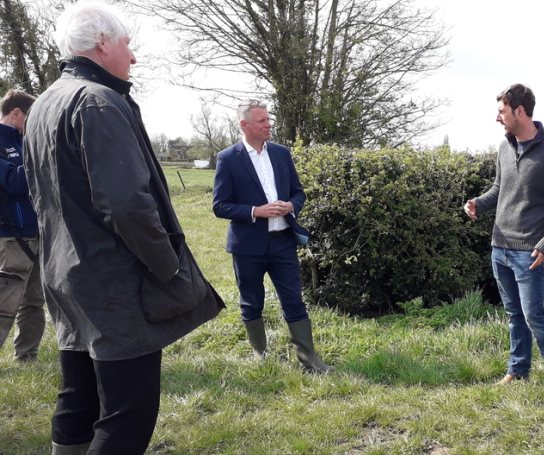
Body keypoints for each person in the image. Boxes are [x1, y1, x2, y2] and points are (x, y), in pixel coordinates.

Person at [22, 2, 224, 453]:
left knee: (78, 401)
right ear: (103, 44)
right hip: (114, 286)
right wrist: (167, 267)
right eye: (128, 44)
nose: (133, 57)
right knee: (126, 416)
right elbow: (126, 205)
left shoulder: (45, 102)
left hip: (66, 276)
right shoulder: (98, 102)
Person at [464, 83, 544, 392]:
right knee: (514, 315)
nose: (497, 118)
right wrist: (478, 204)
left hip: (531, 251)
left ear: (520, 111)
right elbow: (500, 189)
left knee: (534, 316)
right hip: (499, 247)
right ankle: (518, 370)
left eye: (501, 111)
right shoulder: (504, 147)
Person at [213, 100, 332, 373]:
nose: (269, 125)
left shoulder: (281, 153)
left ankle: (308, 361)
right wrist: (257, 211)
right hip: (248, 247)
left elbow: (298, 193)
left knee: (294, 300)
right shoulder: (228, 158)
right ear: (244, 125)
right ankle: (261, 356)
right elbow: (220, 206)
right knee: (251, 301)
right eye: (262, 121)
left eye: (268, 120)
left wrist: (291, 205)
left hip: (283, 242)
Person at [0, 89, 46, 363]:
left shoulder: (23, 141)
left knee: (34, 302)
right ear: (16, 113)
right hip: (11, 238)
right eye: (30, 116)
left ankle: (27, 356)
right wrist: (40, 152)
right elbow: (15, 182)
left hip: (38, 235)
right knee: (5, 303)